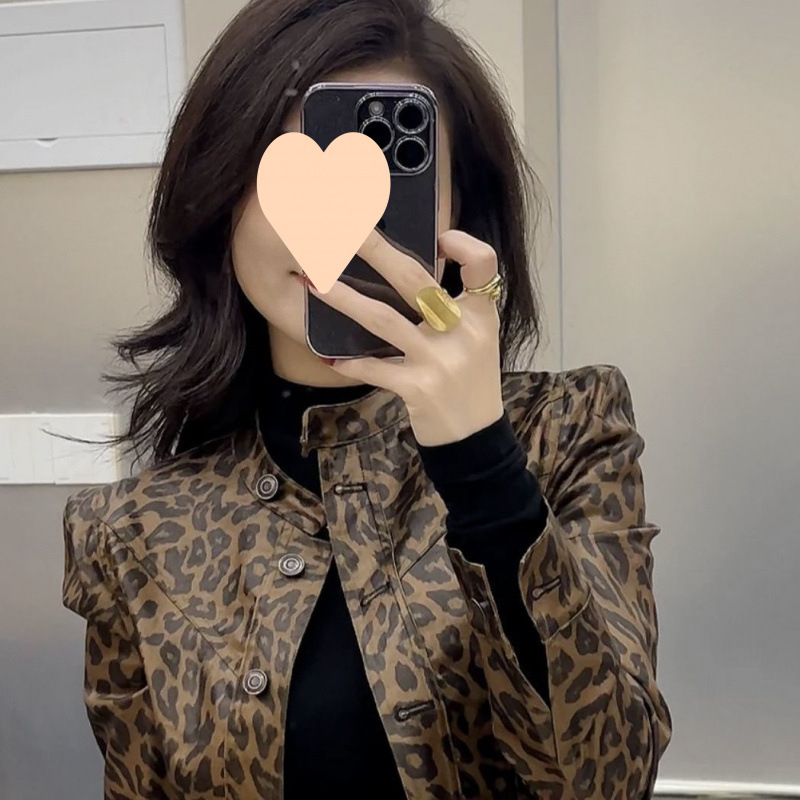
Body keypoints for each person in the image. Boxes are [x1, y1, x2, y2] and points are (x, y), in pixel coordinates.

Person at [61, 1, 673, 798]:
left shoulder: (566, 434)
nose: (336, 225)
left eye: (385, 182)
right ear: (219, 200)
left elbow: (608, 778)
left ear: (456, 215)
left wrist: (482, 466)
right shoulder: (135, 531)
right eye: (289, 176)